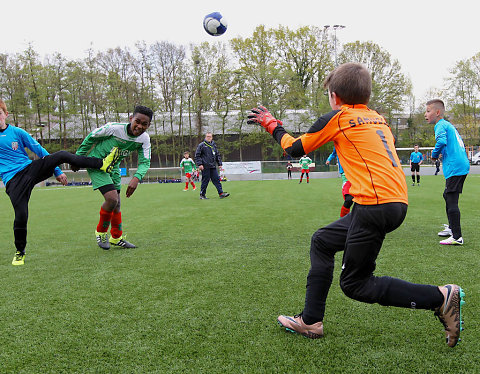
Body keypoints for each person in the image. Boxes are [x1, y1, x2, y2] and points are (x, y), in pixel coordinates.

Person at [247, 62, 465, 347]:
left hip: (375, 205)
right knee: (323, 241)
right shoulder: (378, 118)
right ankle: (310, 321)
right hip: (392, 201)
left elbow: (294, 147)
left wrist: (271, 124)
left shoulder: (338, 117)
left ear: (335, 97)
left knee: (355, 284)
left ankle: (440, 298)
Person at [0, 99, 120, 265]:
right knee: (21, 215)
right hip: (13, 181)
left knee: (62, 154)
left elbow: (39, 150)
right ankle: (20, 251)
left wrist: (57, 171)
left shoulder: (17, 132)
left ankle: (102, 163)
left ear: (5, 114)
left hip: (30, 169)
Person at [75, 105, 153, 250]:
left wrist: (136, 178)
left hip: (113, 167)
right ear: (131, 119)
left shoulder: (144, 139)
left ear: (148, 125)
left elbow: (145, 161)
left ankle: (116, 237)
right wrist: (78, 158)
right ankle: (101, 232)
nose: (139, 126)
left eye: (144, 124)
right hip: (96, 164)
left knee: (117, 204)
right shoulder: (114, 128)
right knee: (111, 199)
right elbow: (91, 137)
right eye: (137, 121)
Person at [425, 99, 470, 246]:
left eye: (428, 111)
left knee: (451, 198)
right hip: (460, 165)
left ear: (437, 112)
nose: (426, 114)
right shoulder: (446, 125)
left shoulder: (440, 125)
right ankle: (452, 228)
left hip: (456, 166)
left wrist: (434, 154)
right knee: (447, 195)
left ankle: (457, 237)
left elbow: (441, 142)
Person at [194, 132, 229, 200]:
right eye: (207, 136)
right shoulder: (202, 145)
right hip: (205, 166)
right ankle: (202, 195)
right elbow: (197, 155)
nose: (209, 138)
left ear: (212, 137)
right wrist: (200, 164)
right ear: (205, 137)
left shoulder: (213, 145)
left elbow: (217, 155)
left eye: (210, 136)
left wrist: (219, 164)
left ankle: (221, 193)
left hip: (213, 166)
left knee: (217, 180)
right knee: (205, 181)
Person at [326, 147, 353, 217]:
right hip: (345, 174)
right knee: (349, 199)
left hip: (357, 173)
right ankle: (343, 220)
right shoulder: (337, 144)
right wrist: (328, 159)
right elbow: (333, 154)